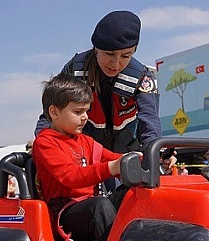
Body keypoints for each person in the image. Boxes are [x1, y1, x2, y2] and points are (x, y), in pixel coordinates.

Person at [34, 10, 174, 188]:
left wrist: (155, 154)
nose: (115, 64)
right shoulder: (75, 70)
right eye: (109, 54)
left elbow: (150, 122)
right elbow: (51, 113)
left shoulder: (141, 77)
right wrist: (43, 142)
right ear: (96, 49)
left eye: (125, 56)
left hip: (124, 155)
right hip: (85, 156)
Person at [33, 73, 134, 241]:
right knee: (99, 206)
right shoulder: (45, 142)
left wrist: (138, 159)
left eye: (86, 110)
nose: (85, 117)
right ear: (54, 112)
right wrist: (111, 168)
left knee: (133, 191)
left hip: (90, 206)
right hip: (65, 212)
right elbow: (71, 177)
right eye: (78, 111)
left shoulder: (85, 140)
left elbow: (113, 158)